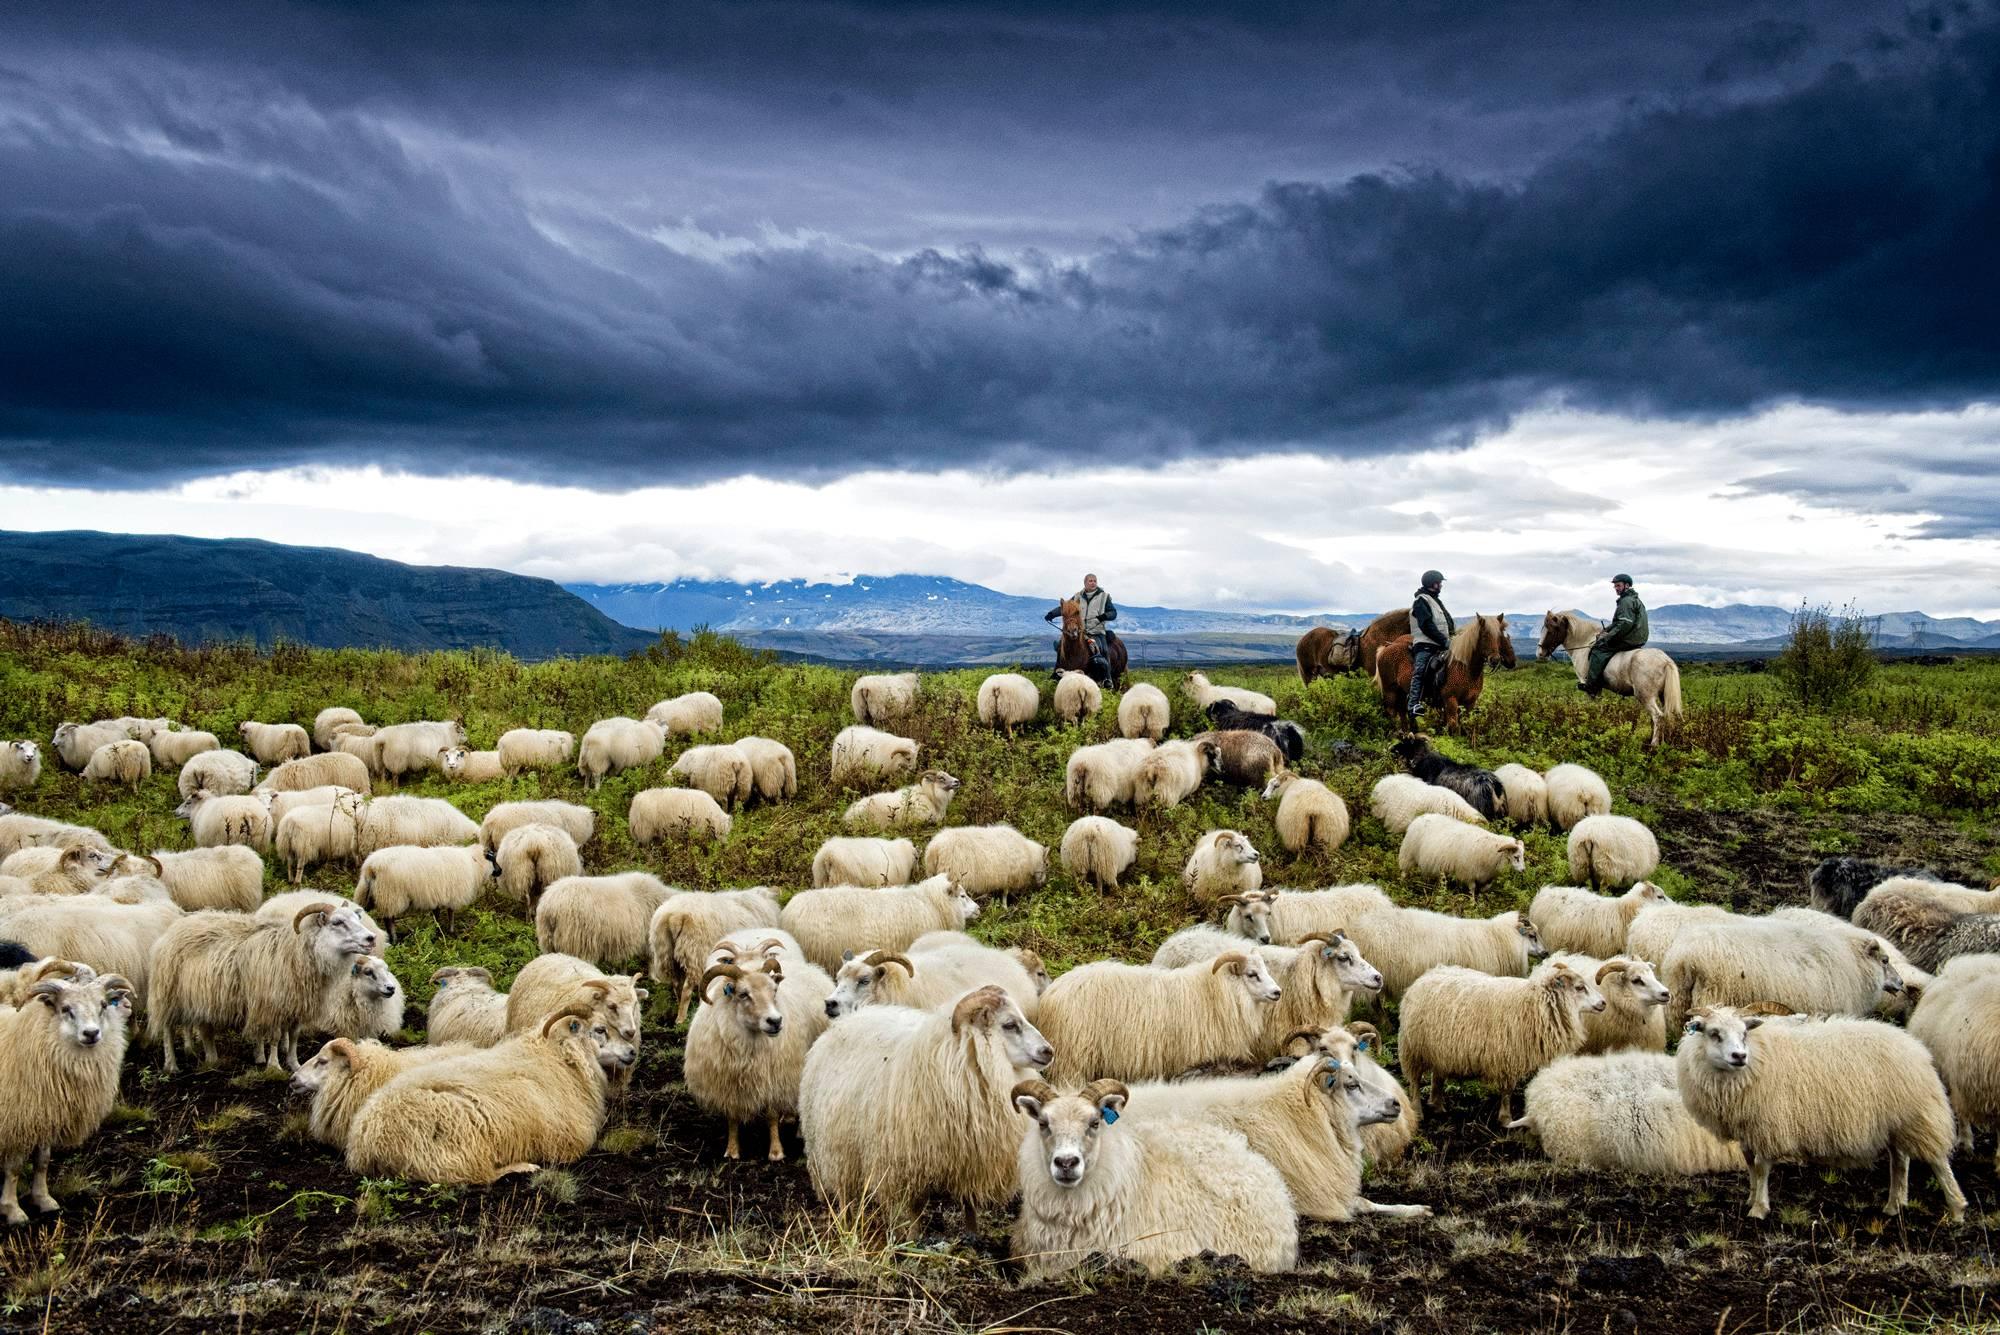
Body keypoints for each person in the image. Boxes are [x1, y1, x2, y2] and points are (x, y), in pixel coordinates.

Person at [1583, 574, 1649, 696]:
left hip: (1629, 638)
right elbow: (1618, 622)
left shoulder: (1626, 601)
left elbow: (1624, 624)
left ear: (1627, 585)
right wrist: (1606, 630)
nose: (1616, 588)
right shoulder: (1634, 600)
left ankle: (1592, 685)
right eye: (1614, 586)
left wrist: (1606, 637)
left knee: (1598, 649)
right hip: (1638, 637)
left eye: (1618, 585)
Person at [1045, 573, 1119, 679]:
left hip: (1096, 631)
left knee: (1104, 650)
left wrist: (1104, 616)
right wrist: (1051, 614)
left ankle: (1107, 679)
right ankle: (1056, 672)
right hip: (1079, 631)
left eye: (1095, 581)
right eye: (1090, 581)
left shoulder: (1104, 597)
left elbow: (1113, 613)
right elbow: (1065, 607)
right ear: (1085, 583)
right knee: (1061, 646)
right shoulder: (1077, 596)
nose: (1093, 583)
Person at [1407, 570, 1453, 719]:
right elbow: (1426, 625)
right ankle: (1413, 704)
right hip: (1425, 644)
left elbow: (1446, 624)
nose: (1441, 585)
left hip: (1442, 644)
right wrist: (1444, 640)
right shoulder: (1421, 601)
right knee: (1420, 671)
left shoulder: (1436, 601)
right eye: (1439, 583)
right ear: (1432, 584)